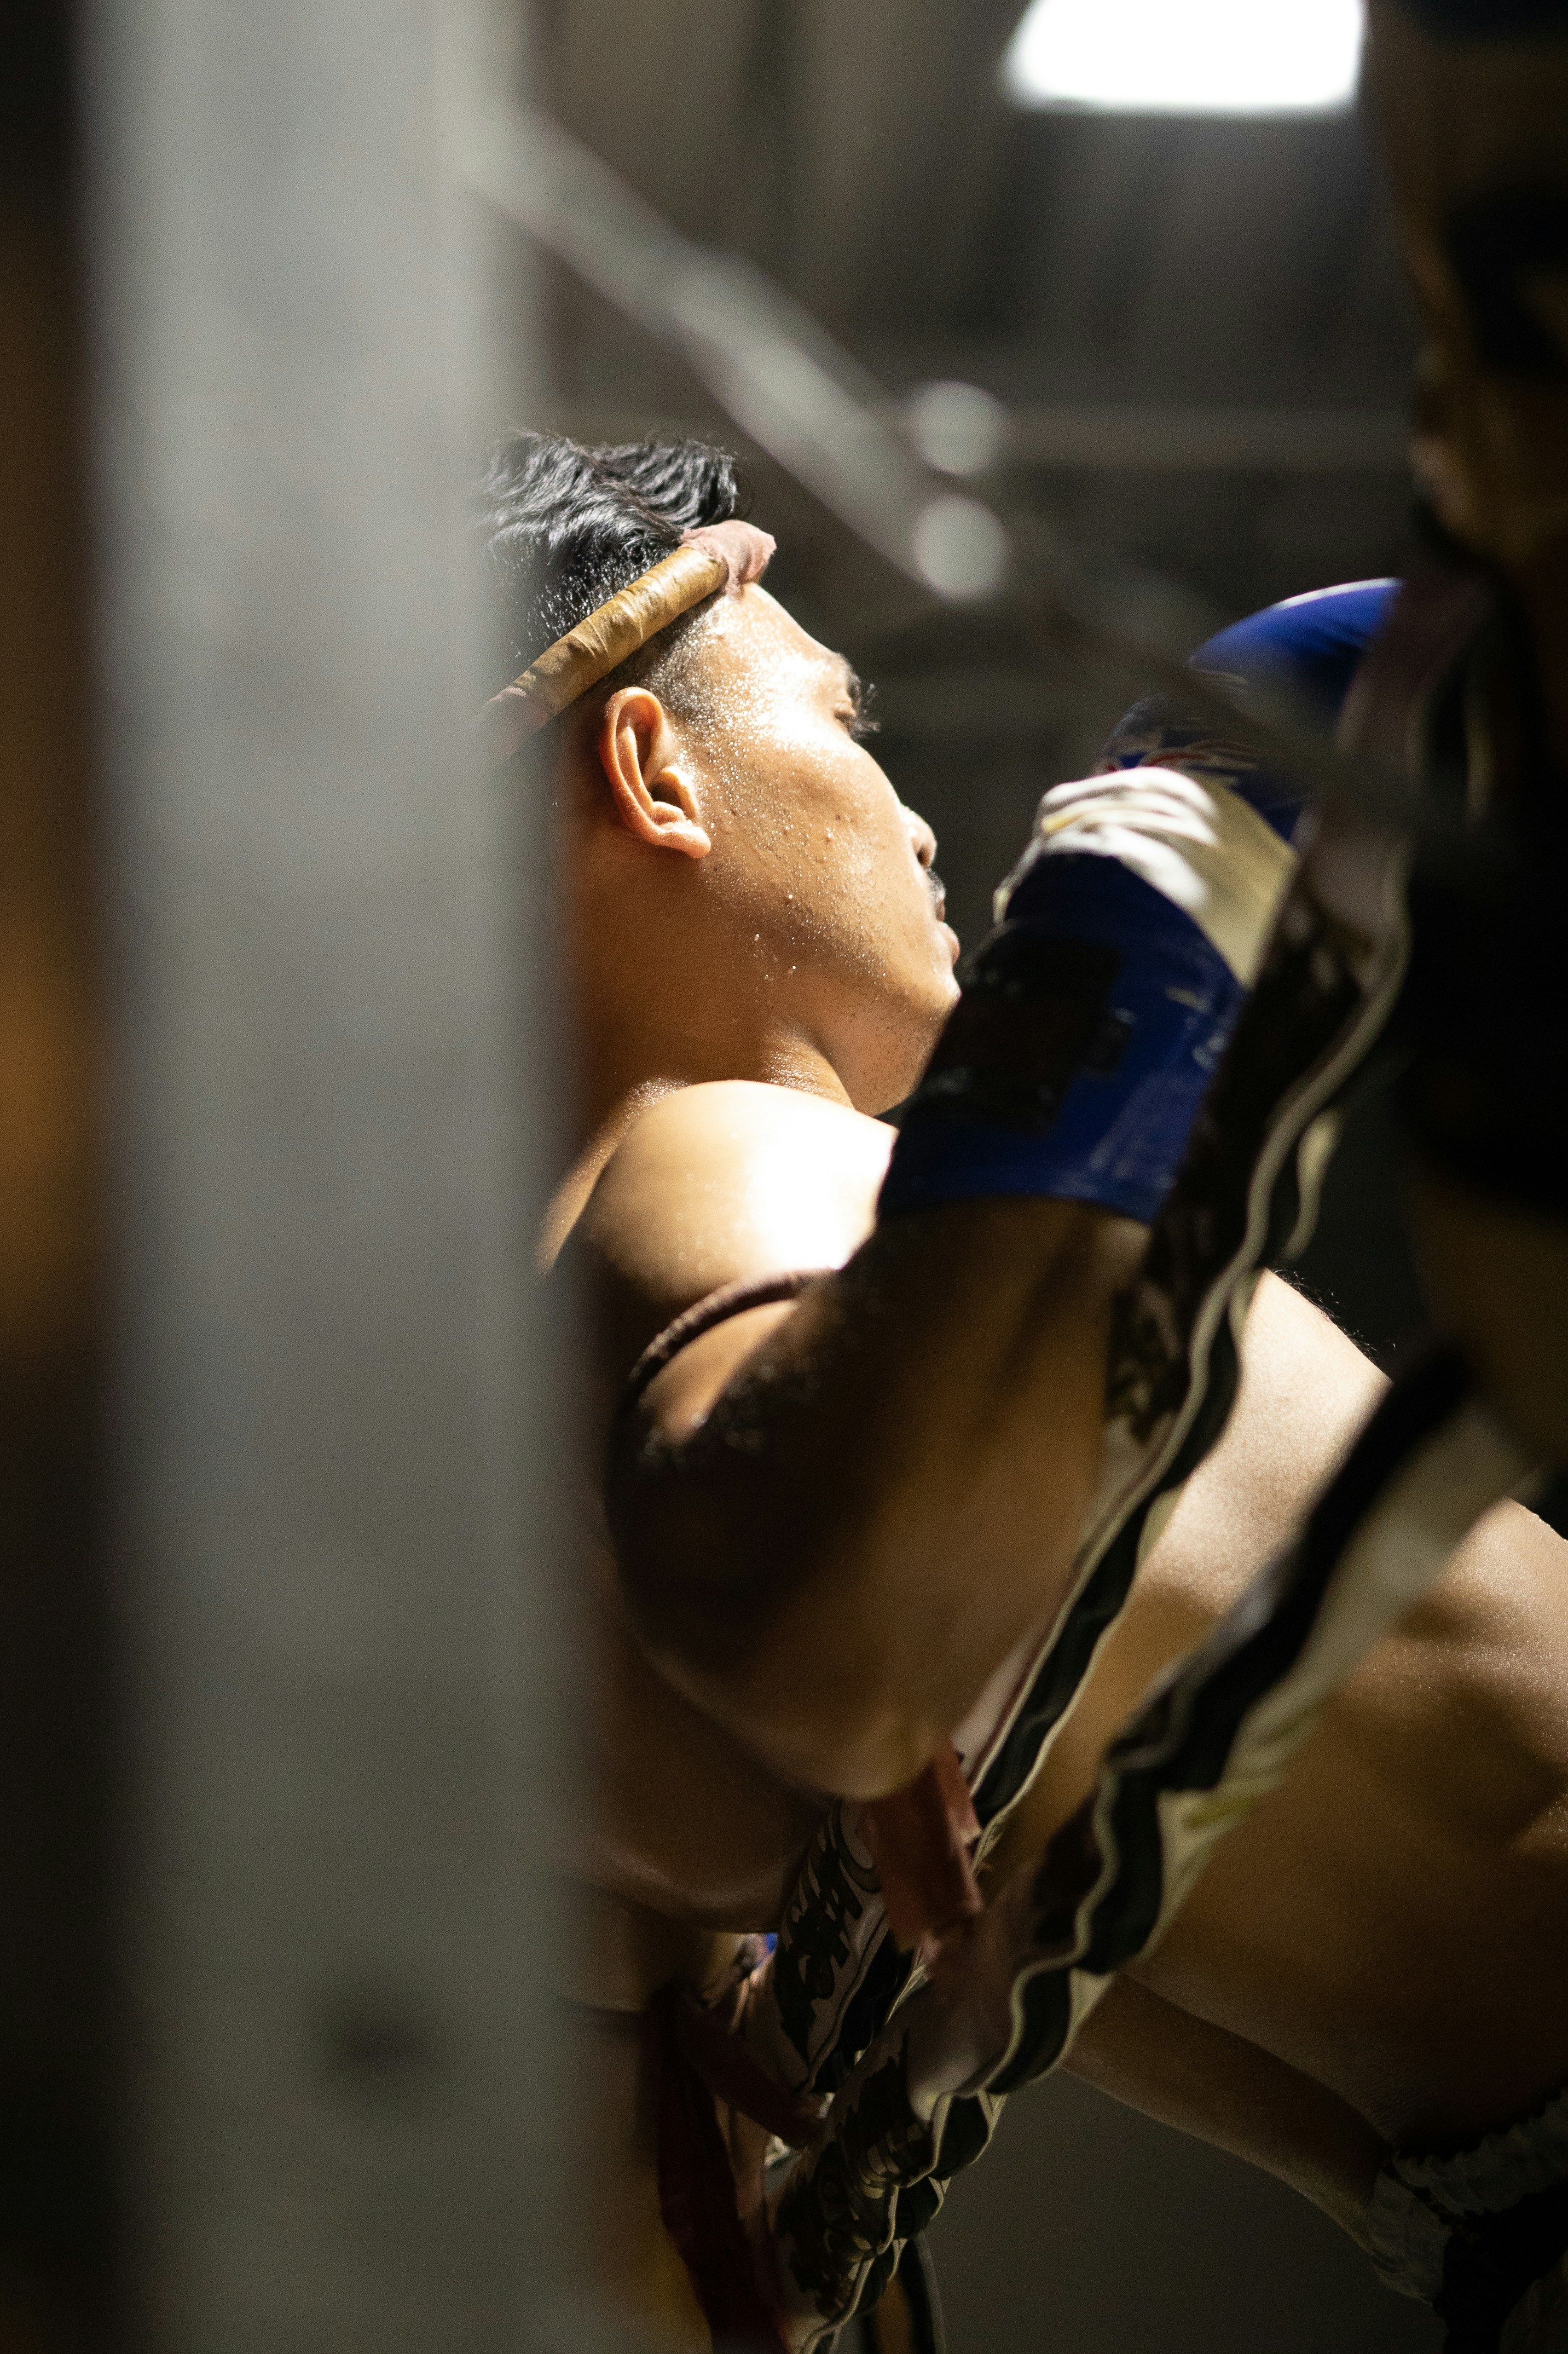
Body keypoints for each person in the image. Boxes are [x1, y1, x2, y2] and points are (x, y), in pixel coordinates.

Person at [490, 429, 1568, 2353]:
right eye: (841, 715)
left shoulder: (547, 1407)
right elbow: (821, 1618)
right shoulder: (720, 1162)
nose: (912, 819)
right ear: (654, 772)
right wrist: (1168, 868)